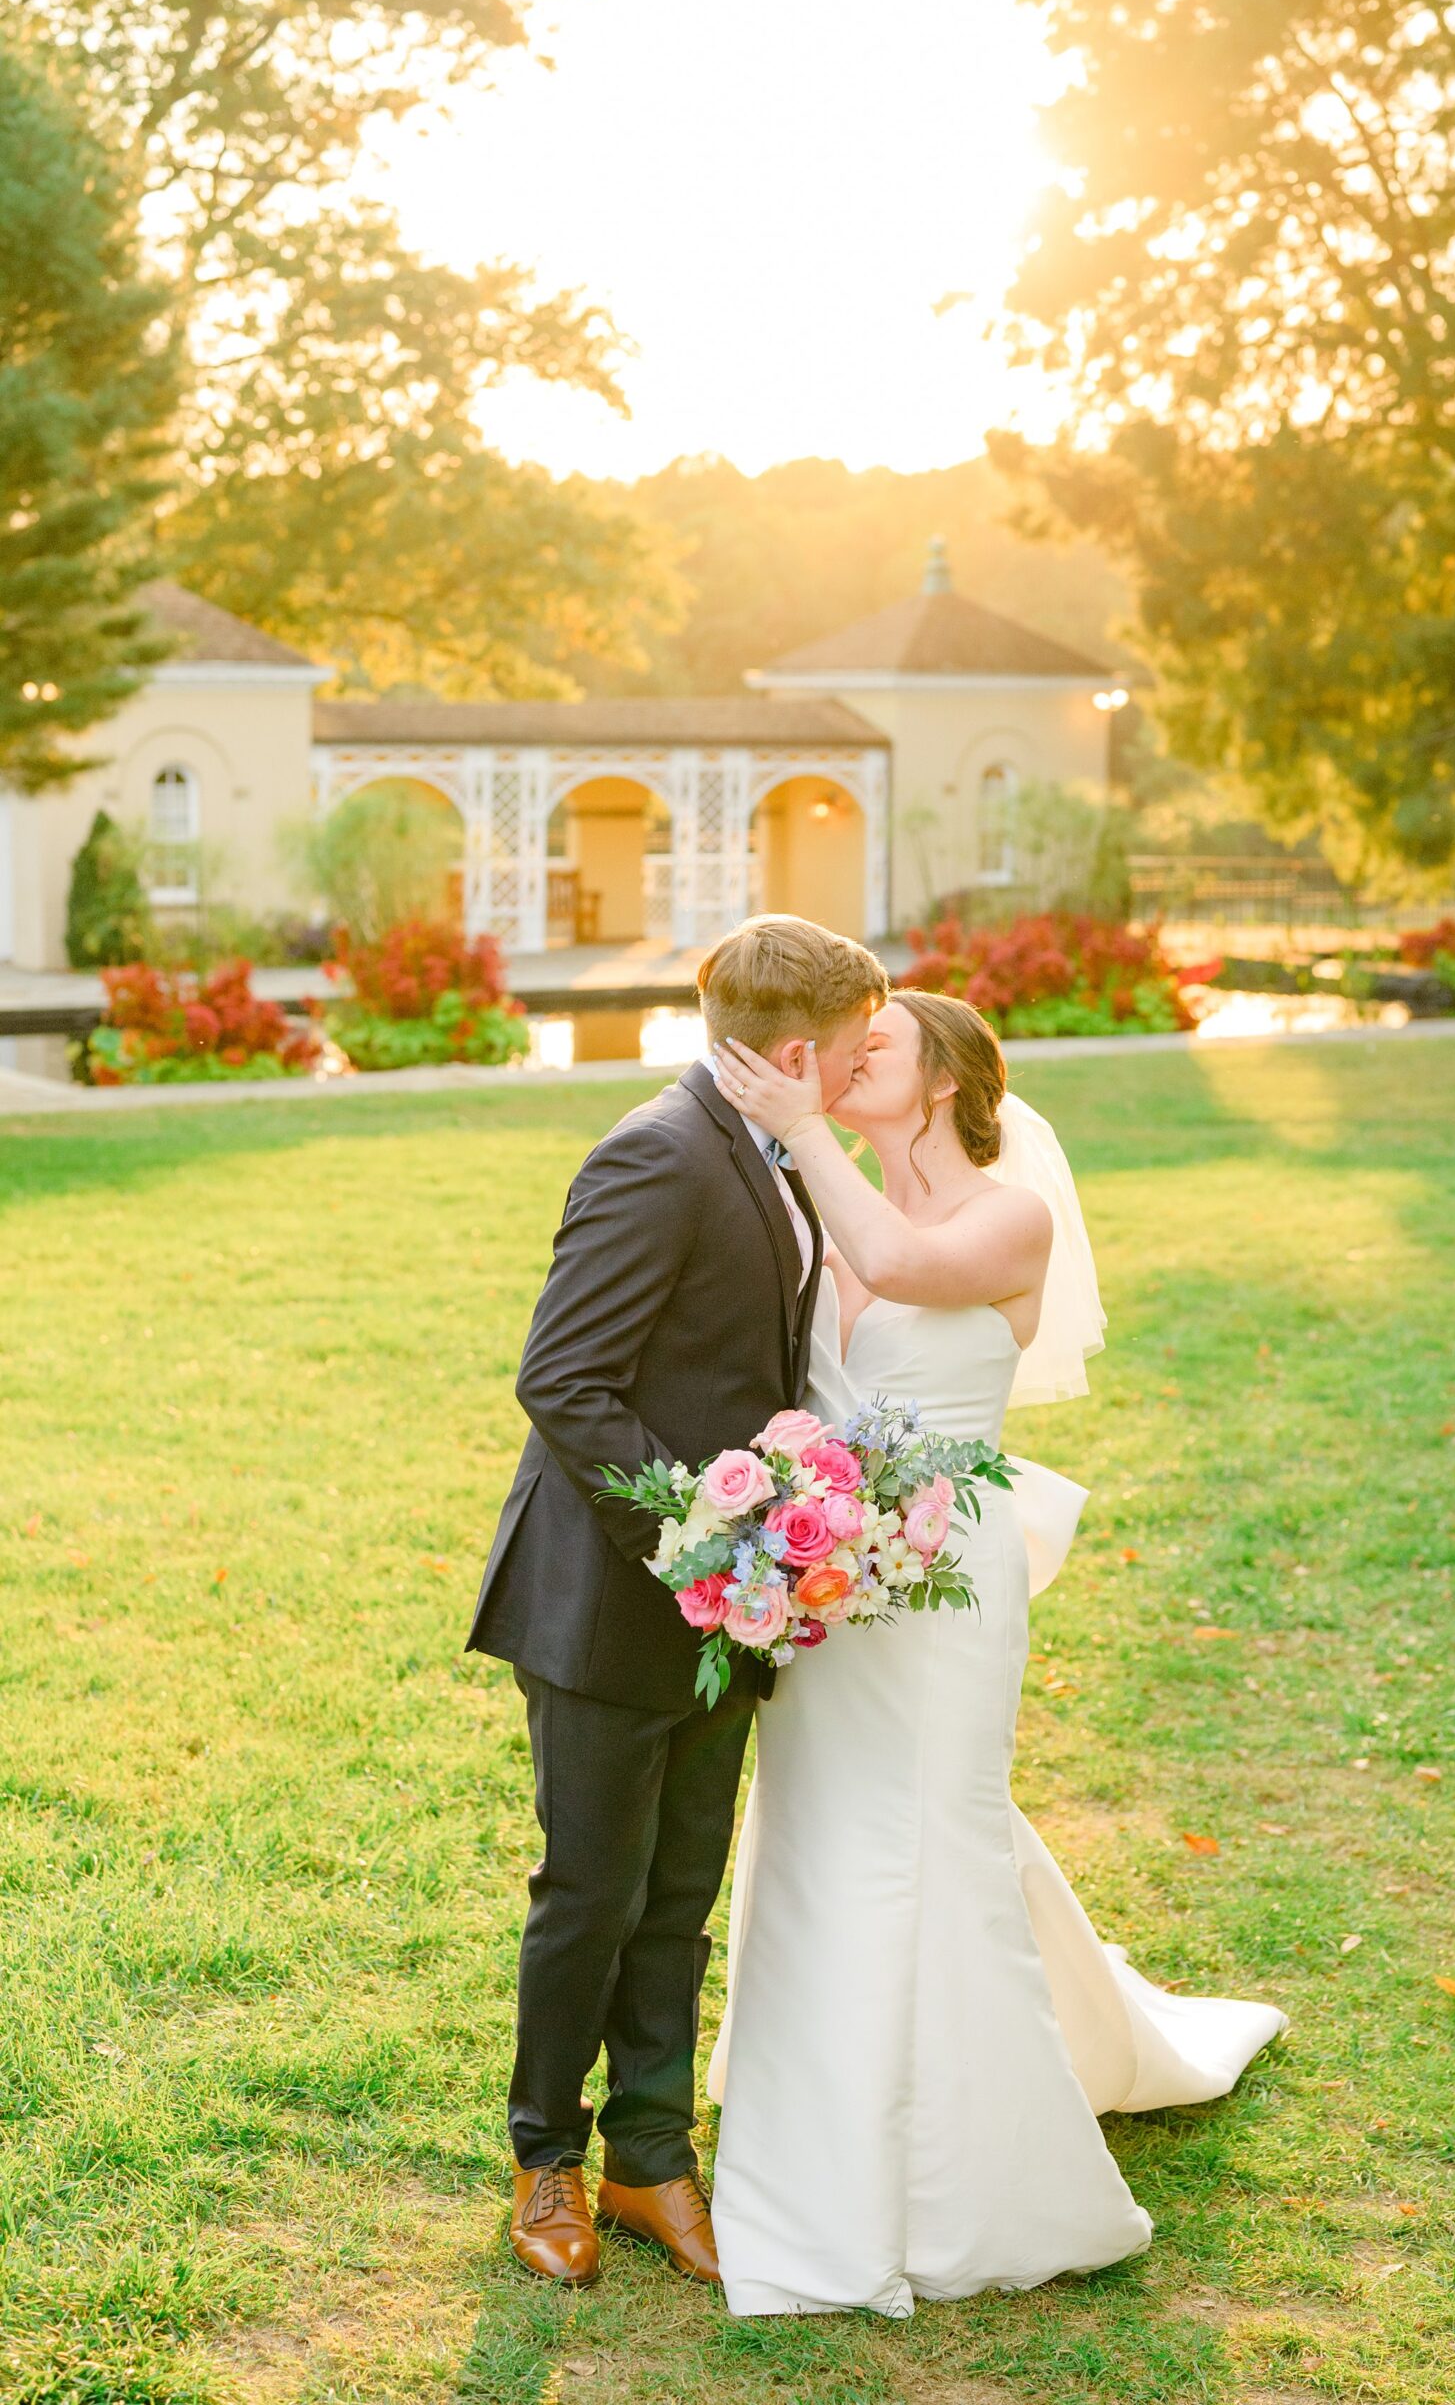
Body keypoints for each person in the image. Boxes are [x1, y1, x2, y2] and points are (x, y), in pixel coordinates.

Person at [707, 991, 1286, 2316]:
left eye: (878, 1048)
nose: (851, 1062)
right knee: (822, 1823)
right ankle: (822, 2101)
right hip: (836, 1571)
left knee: (938, 1829)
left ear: (951, 1080)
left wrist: (803, 1133)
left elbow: (905, 1274)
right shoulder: (835, 1204)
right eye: (844, 1050)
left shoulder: (1004, 1216)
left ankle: (977, 2160)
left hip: (952, 1579)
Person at [465, 916, 888, 2289]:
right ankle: (547, 2167)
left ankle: (653, 2162)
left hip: (734, 1610)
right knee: (588, 1892)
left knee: (678, 1892)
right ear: (799, 1049)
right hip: (609, 1601)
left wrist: (774, 1544)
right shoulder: (657, 1151)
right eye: (856, 1046)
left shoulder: (767, 1150)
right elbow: (564, 1380)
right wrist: (709, 1539)